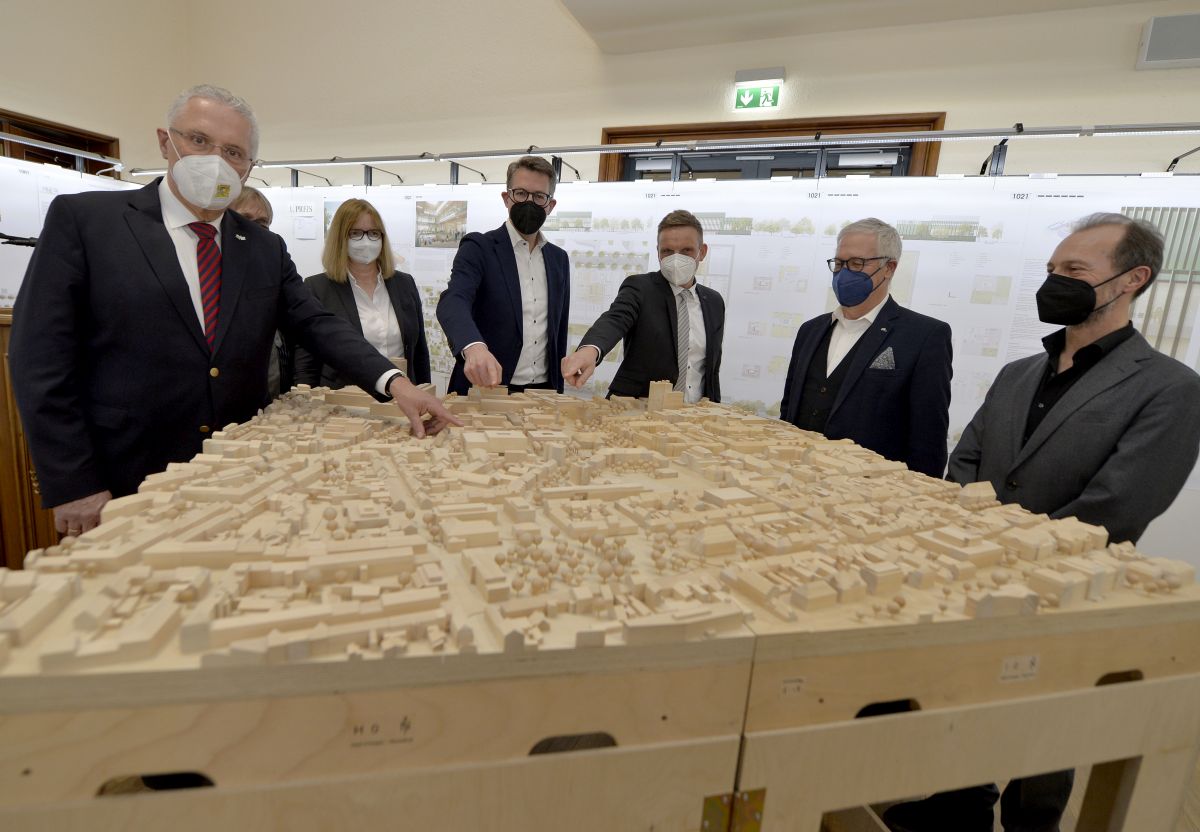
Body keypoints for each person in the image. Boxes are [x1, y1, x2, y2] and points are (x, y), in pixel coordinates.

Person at [10, 84, 459, 537]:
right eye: (199, 141)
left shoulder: (262, 245)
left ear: (249, 167)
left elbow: (316, 323)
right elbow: (40, 360)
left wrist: (395, 383)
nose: (217, 161)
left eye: (234, 152)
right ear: (167, 142)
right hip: (126, 477)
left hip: (240, 474)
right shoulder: (87, 221)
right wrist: (73, 481)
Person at [885, 213, 1200, 832]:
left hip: (1064, 599)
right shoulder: (1017, 373)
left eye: (1075, 272)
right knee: (960, 723)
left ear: (1133, 279)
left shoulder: (1170, 388)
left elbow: (1118, 506)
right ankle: (955, 805)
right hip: (974, 584)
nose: (1056, 282)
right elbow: (967, 458)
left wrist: (1001, 551)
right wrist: (969, 543)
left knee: (1040, 758)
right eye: (1053, 270)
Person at [780, 217, 952, 478]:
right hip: (796, 478)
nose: (844, 272)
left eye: (857, 263)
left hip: (870, 493)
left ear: (889, 268)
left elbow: (928, 438)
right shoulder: (810, 331)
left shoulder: (925, 336)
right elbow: (790, 409)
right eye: (839, 263)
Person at [436, 155, 571, 395]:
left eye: (539, 196)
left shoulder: (558, 259)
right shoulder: (479, 247)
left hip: (542, 391)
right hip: (487, 388)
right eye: (520, 193)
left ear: (550, 206)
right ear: (506, 198)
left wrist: (557, 389)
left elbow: (557, 330)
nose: (529, 202)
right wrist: (473, 346)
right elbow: (454, 300)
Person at [561, 209, 724, 402]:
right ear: (658, 252)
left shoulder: (714, 302)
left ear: (702, 252)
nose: (676, 258)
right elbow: (615, 319)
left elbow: (710, 369)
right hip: (638, 412)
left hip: (693, 416)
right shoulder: (640, 288)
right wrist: (590, 350)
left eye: (686, 251)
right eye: (667, 251)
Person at [294, 199, 431, 389]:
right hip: (345, 401)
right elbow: (306, 362)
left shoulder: (404, 283)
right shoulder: (317, 287)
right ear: (340, 237)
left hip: (403, 398)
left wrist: (425, 393)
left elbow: (419, 352)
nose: (366, 241)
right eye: (356, 233)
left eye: (374, 233)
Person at [229, 185, 292, 398]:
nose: (255, 229)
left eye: (262, 223)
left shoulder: (272, 264)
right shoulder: (206, 268)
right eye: (245, 218)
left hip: (268, 376)